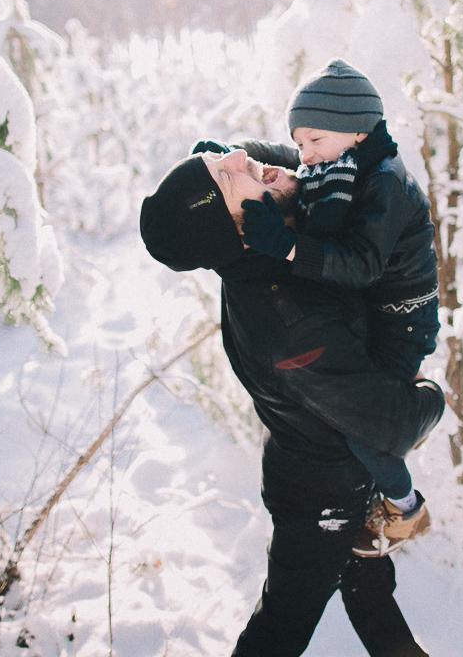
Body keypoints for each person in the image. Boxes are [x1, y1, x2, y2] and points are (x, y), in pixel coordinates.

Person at [140, 144, 444, 656]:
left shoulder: (261, 248)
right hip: (321, 499)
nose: (238, 156)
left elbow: (262, 162)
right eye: (226, 176)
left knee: (369, 590)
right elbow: (392, 424)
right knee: (282, 626)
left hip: (331, 472)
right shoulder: (290, 326)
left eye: (221, 157)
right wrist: (432, 394)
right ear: (238, 229)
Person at [241, 59, 440, 558]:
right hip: (376, 312)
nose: (304, 157)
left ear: (354, 131)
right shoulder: (347, 161)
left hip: (403, 321)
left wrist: (287, 247)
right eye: (301, 142)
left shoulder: (386, 183)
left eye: (313, 142)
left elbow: (361, 265)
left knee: (362, 423)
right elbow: (287, 159)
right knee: (340, 402)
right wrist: (233, 157)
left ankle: (404, 508)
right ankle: (373, 492)